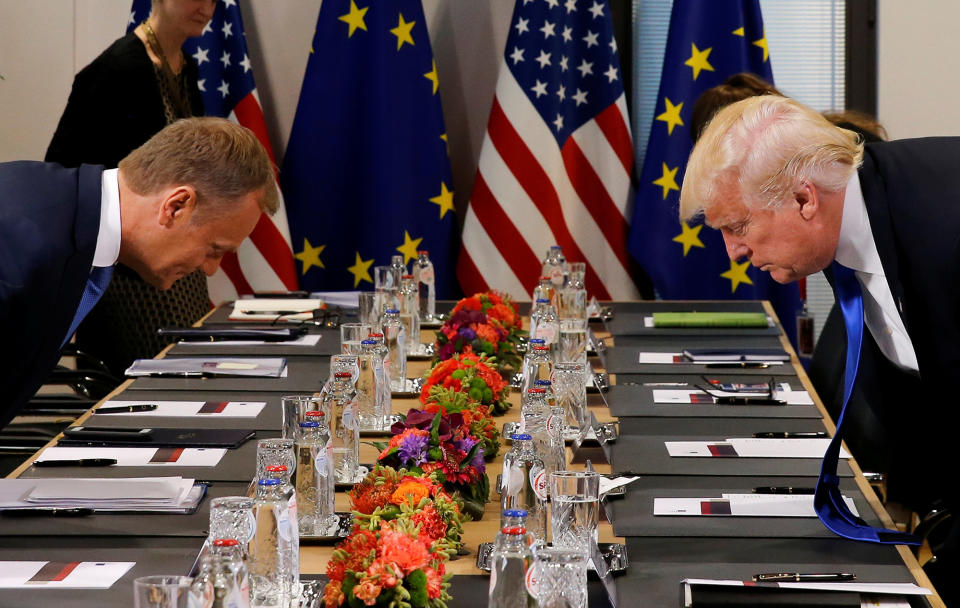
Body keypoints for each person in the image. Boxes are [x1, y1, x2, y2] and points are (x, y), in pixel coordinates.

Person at [680, 94, 958, 604]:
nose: (734, 252)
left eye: (737, 226)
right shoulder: (849, 215)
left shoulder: (945, 219)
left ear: (804, 199)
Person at [0, 117, 277, 431]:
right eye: (214, 248)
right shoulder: (18, 239)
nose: (210, 268)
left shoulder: (69, 218)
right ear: (176, 206)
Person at [45, 0, 217, 377]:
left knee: (192, 382)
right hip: (125, 278)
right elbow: (63, 172)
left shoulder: (187, 68)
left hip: (178, 272)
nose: (207, 6)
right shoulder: (114, 70)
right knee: (153, 390)